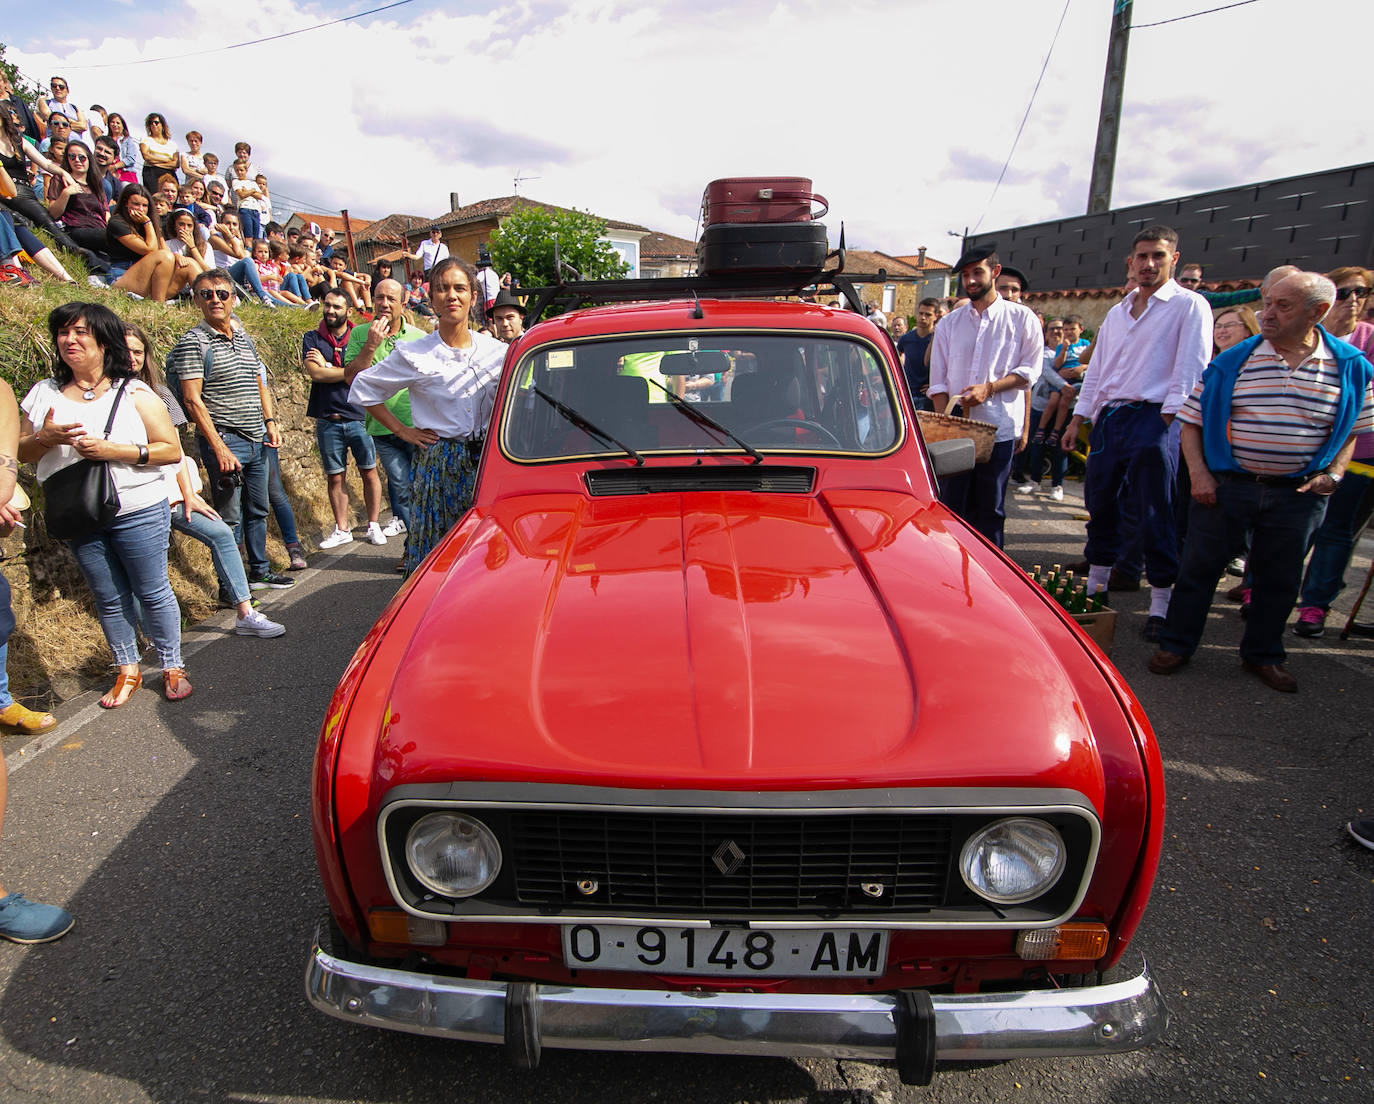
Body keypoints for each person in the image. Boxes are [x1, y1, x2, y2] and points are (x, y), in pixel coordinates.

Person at [1148, 272, 1373, 693]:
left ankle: (1263, 655)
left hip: (1299, 493)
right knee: (1198, 568)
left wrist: (1334, 473)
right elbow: (1191, 421)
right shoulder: (1232, 360)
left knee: (1279, 578)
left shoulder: (1350, 366)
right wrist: (1199, 475)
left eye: (1282, 306)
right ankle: (1176, 645)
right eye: (1267, 303)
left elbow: (1354, 429)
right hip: (1228, 485)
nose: (1266, 314)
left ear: (1317, 312)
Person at [19, 302, 190, 705]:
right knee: (107, 595)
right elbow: (21, 452)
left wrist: (112, 450)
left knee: (151, 589)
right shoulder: (43, 393)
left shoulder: (133, 391)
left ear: (103, 340)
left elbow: (169, 450)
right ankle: (127, 668)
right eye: (63, 332)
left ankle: (171, 664)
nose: (69, 340)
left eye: (80, 332)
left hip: (137, 507)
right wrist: (46, 438)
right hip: (78, 512)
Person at [1060, 226, 1211, 639]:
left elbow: (1191, 368)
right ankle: (1095, 591)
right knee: (1100, 503)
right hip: (1111, 417)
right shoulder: (1118, 310)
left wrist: (1169, 419)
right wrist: (1079, 417)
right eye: (1142, 257)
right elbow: (1099, 372)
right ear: (1131, 261)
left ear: (1173, 259)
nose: (1149, 265)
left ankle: (1160, 604)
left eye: (1158, 257)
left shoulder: (1189, 305)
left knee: (1152, 511)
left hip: (1154, 416)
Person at [125, 323, 284, 637]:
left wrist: (188, 492)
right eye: (124, 351)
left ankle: (244, 611)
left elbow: (175, 449)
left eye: (137, 352)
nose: (131, 358)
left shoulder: (157, 393)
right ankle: (144, 640)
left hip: (169, 494)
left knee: (223, 533)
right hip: (133, 499)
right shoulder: (105, 397)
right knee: (144, 570)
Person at [349, 258, 505, 573]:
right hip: (440, 463)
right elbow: (362, 388)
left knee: (487, 553)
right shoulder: (416, 352)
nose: (452, 296)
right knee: (441, 554)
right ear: (431, 298)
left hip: (491, 463)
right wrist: (402, 430)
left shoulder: (497, 351)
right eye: (442, 289)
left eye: (460, 288)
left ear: (473, 297)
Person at [166, 269, 296, 594]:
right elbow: (192, 401)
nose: (215, 300)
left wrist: (270, 422)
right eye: (207, 294)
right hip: (224, 440)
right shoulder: (193, 343)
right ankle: (231, 589)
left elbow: (259, 380)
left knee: (258, 509)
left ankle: (259, 571)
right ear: (195, 299)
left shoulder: (243, 337)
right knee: (230, 518)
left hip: (256, 439)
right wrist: (219, 447)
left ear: (234, 299)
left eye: (222, 294)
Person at [928, 243, 1041, 547]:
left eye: (978, 272)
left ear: (996, 271)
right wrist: (944, 427)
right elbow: (937, 382)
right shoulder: (949, 323)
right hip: (955, 436)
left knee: (990, 510)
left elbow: (1030, 371)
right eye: (965, 275)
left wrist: (989, 388)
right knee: (950, 510)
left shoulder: (1022, 319)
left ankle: (990, 581)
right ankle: (948, 575)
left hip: (998, 430)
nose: (971, 281)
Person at [1292, 268, 1374, 638]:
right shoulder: (1304, 341)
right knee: (1291, 530)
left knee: (1336, 532)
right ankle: (1264, 589)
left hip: (1359, 454)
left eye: (1362, 292)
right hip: (1302, 452)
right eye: (1344, 293)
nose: (1354, 299)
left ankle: (1314, 605)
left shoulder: (1369, 341)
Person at [343, 279, 427, 554]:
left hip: (419, 426)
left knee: (423, 487)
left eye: (391, 299)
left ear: (404, 304)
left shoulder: (418, 337)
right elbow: (351, 379)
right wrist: (370, 345)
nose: (384, 304)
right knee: (401, 486)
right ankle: (411, 549)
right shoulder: (359, 334)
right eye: (380, 298)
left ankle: (428, 546)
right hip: (381, 429)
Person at [302, 288, 386, 549]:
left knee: (369, 472)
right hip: (328, 417)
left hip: (360, 415)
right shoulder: (312, 338)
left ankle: (373, 524)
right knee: (335, 476)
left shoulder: (360, 336)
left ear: (348, 311)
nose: (330, 311)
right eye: (327, 305)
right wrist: (346, 371)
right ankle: (342, 529)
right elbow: (316, 374)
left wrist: (330, 367)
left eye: (337, 307)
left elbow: (366, 371)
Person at [104, 183, 186, 301]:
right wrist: (147, 223)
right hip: (121, 276)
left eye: (145, 205)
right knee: (164, 256)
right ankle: (159, 305)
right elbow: (149, 250)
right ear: (126, 203)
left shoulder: (149, 224)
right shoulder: (117, 222)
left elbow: (164, 249)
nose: (141, 209)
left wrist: (177, 256)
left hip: (147, 278)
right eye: (136, 204)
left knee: (189, 265)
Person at [47, 141, 109, 260]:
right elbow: (53, 214)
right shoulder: (60, 180)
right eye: (72, 156)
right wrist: (66, 193)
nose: (77, 160)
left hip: (99, 230)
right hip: (76, 228)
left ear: (89, 160)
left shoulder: (96, 185)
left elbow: (106, 215)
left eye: (82, 157)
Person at [896, 297, 938, 411]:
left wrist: (933, 385)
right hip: (907, 394)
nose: (923, 318)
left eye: (928, 315)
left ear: (936, 316)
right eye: (920, 313)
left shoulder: (938, 339)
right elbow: (896, 360)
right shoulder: (906, 339)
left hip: (927, 398)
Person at [1177, 262, 1262, 309]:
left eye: (1193, 281)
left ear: (1199, 282)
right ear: (1178, 280)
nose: (1189, 283)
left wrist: (1260, 291)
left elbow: (1231, 298)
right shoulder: (1168, 297)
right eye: (1185, 280)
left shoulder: (1203, 298)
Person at [138, 113, 178, 192]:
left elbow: (176, 164)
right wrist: (167, 160)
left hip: (169, 173)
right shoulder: (146, 140)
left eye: (156, 122)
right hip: (151, 173)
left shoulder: (172, 144)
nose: (153, 124)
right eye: (150, 123)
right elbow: (146, 156)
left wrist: (156, 163)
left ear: (162, 125)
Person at [230, 160, 265, 240]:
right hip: (245, 208)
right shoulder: (236, 182)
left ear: (246, 171)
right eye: (237, 170)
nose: (239, 172)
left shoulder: (253, 183)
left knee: (256, 237)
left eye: (241, 170)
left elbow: (260, 196)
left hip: (255, 210)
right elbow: (242, 195)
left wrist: (247, 191)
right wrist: (252, 190)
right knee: (248, 236)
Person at [104, 113, 139, 184]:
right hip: (108, 174)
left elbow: (131, 159)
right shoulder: (105, 140)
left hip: (126, 174)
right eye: (112, 122)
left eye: (118, 123)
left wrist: (115, 166)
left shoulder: (128, 140)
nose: (115, 125)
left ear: (123, 126)